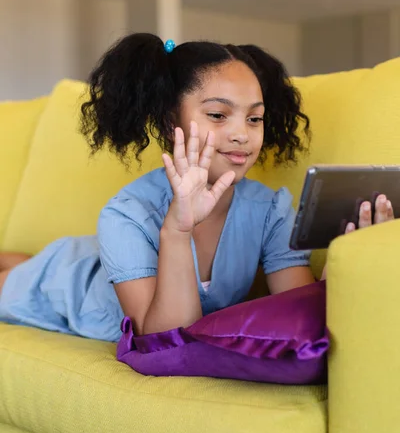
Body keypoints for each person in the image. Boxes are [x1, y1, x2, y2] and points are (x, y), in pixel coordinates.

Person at [0, 34, 394, 341]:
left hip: (103, 255)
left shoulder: (270, 209)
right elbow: (164, 337)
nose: (242, 135)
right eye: (218, 115)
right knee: (20, 274)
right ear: (172, 117)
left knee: (26, 257)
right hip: (67, 282)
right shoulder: (127, 212)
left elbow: (294, 314)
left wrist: (350, 263)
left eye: (254, 119)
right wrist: (177, 229)